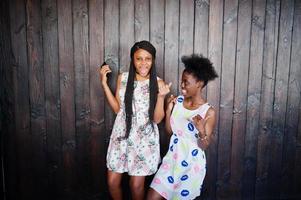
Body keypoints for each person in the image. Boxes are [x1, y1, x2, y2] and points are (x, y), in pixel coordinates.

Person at [99, 40, 171, 200]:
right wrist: (104, 84)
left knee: (136, 185)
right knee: (112, 181)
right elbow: (118, 109)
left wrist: (161, 97)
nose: (143, 63)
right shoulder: (123, 78)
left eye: (148, 59)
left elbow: (158, 119)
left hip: (144, 139)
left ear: (153, 60)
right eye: (139, 58)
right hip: (121, 134)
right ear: (133, 59)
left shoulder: (158, 83)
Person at [147, 54, 218, 200]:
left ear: (199, 83)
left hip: (191, 166)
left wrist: (201, 129)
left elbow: (204, 146)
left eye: (186, 82)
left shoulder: (208, 112)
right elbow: (170, 132)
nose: (182, 85)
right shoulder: (178, 101)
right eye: (182, 81)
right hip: (171, 160)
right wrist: (168, 111)